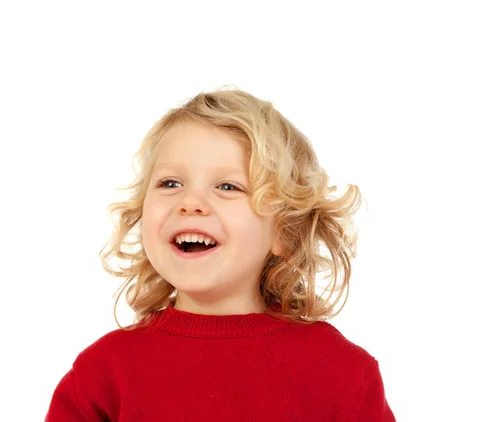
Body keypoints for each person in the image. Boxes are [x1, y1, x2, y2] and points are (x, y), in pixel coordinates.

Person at [45, 87, 396, 421]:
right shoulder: (102, 373)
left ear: (284, 233)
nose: (191, 203)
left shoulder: (341, 373)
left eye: (228, 186)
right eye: (170, 183)